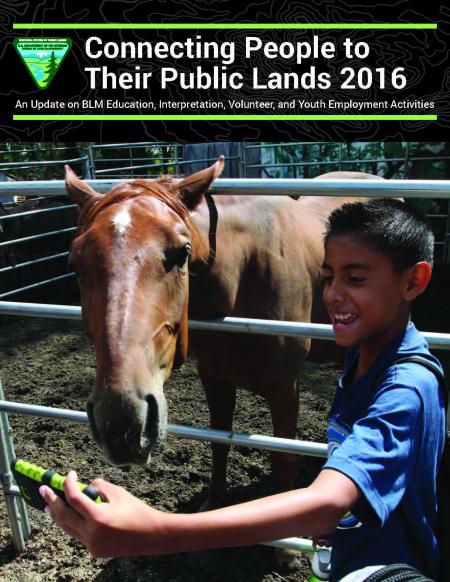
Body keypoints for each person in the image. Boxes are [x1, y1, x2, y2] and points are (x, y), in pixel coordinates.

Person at [39, 198, 445, 581]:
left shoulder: (406, 389)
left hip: (389, 569)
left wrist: (159, 530)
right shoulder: (362, 359)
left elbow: (328, 502)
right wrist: (340, 530)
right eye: (326, 277)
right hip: (350, 555)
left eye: (354, 279)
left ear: (415, 281)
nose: (333, 295)